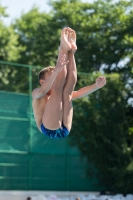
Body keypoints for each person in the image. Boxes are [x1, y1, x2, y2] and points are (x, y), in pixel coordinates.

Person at [32, 27, 106, 139]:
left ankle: (71, 51)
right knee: (58, 89)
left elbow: (79, 93)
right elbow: (42, 91)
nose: (56, 77)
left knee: (68, 91)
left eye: (56, 75)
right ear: (42, 81)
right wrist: (57, 70)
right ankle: (63, 48)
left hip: (65, 127)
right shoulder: (37, 94)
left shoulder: (59, 93)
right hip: (49, 129)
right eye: (52, 76)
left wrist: (96, 86)